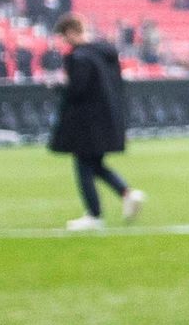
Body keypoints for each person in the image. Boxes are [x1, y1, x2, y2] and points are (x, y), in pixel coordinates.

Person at [47, 12, 136, 231]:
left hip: (88, 123)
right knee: (95, 165)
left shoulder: (81, 57)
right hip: (108, 118)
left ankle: (94, 215)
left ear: (70, 32)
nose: (63, 43)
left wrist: (59, 87)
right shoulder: (104, 53)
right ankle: (127, 193)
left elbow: (78, 90)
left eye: (63, 37)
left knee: (83, 166)